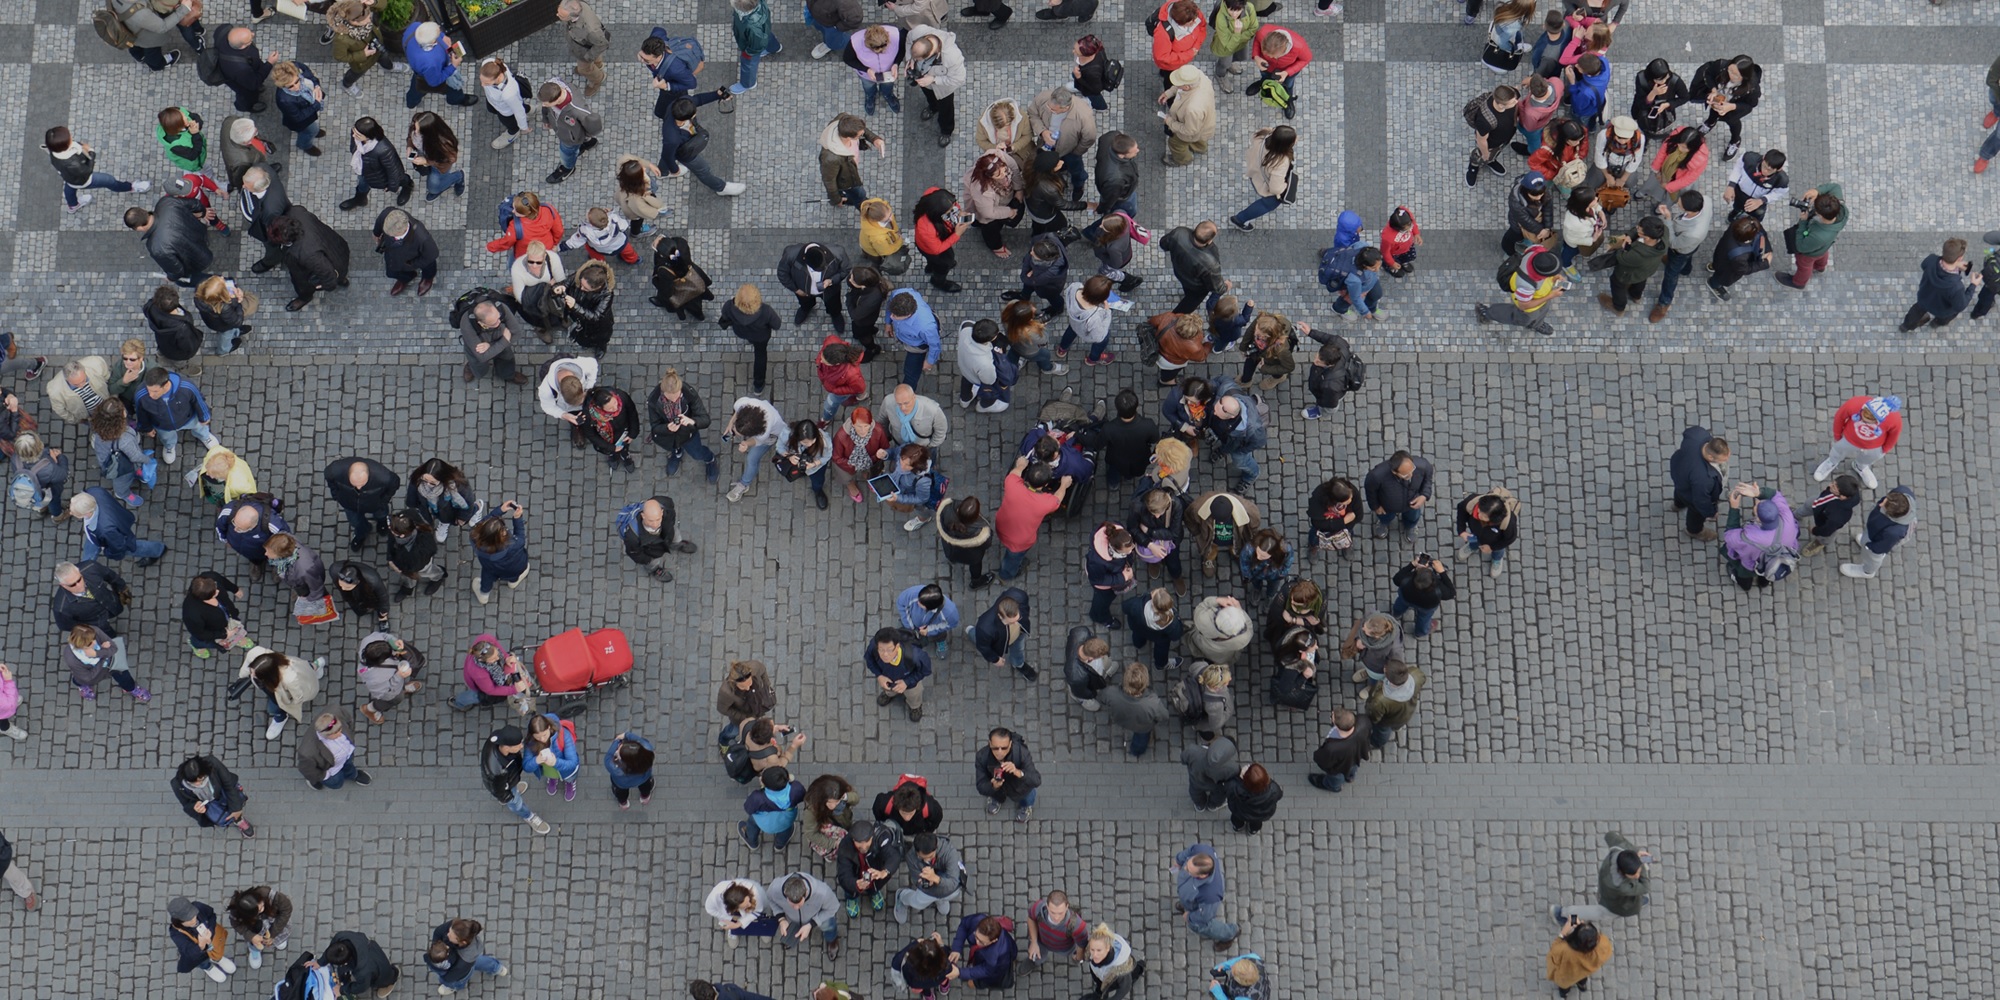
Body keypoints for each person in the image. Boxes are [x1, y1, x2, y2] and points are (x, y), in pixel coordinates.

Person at [265, 207, 352, 312]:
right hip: (335, 246)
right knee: (339, 267)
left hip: (327, 259)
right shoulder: (296, 212)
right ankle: (342, 279)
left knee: (304, 285)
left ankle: (305, 297)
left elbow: (327, 274)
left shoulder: (306, 254)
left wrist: (322, 286)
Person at [1553, 831, 1652, 922]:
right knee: (1601, 913)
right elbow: (1646, 887)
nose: (1637, 876)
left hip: (1606, 879)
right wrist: (1641, 864)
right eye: (1634, 874)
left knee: (1634, 895)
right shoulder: (1621, 886)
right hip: (1614, 904)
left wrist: (1635, 854)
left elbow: (1610, 835)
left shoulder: (1619, 850)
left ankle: (1636, 901)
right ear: (1622, 872)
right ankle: (1563, 914)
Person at [1812, 394, 1903, 489]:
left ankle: (1860, 466)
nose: (1864, 421)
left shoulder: (1894, 419)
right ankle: (1832, 462)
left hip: (1874, 446)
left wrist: (1884, 450)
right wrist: (1837, 435)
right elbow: (1840, 417)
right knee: (1837, 451)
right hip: (1849, 438)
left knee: (1868, 458)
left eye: (1868, 421)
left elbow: (1894, 435)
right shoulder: (1854, 404)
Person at [1719, 483, 1798, 591]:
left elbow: (1730, 536)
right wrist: (1759, 493)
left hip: (1752, 564)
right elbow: (1775, 494)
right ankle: (1764, 582)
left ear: (1758, 518)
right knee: (1768, 569)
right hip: (1777, 558)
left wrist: (1734, 508)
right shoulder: (1786, 515)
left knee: (1744, 575)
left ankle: (1745, 585)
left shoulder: (1750, 537)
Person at [125, 195, 214, 287]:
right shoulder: (166, 202)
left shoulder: (156, 247)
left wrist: (171, 278)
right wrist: (202, 213)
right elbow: (196, 204)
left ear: (139, 227)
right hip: (200, 235)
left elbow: (177, 270)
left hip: (198, 258)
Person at [649, 368, 721, 481]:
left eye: (677, 398)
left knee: (697, 454)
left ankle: (710, 459)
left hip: (688, 433)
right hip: (670, 435)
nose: (673, 401)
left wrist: (692, 421)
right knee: (674, 446)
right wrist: (667, 428)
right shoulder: (654, 400)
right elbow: (655, 426)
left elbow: (705, 419)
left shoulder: (689, 393)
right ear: (663, 391)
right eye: (669, 399)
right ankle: (677, 453)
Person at [480, 724, 551, 834]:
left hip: (507, 779)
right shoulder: (498, 772)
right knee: (516, 803)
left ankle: (513, 786)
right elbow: (499, 790)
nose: (522, 746)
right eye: (518, 745)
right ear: (507, 747)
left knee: (511, 787)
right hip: (503, 786)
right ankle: (529, 816)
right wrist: (509, 797)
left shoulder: (497, 740)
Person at [1688, 53, 1761, 159]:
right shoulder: (1721, 65)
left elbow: (1750, 105)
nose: (1730, 75)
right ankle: (1710, 123)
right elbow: (1708, 73)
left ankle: (1735, 140)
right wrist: (1713, 90)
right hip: (1718, 99)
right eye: (1730, 70)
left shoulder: (1752, 88)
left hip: (1734, 106)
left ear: (1744, 77)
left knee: (1733, 122)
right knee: (1713, 111)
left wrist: (1731, 107)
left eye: (1735, 75)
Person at [1901, 237, 1982, 332]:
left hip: (1924, 298)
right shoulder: (1956, 287)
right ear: (1960, 258)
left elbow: (1924, 265)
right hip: (1942, 310)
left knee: (1915, 312)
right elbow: (1960, 305)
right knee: (1949, 315)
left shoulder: (1931, 260)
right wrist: (1973, 285)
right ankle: (1936, 323)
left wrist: (1956, 266)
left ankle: (1906, 326)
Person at [70, 490, 166, 567]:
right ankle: (85, 568)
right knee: (90, 551)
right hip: (109, 524)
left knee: (132, 547)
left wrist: (108, 552)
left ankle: (158, 550)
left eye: (76, 514)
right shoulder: (94, 491)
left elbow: (118, 547)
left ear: (87, 513)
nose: (71, 513)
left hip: (106, 534)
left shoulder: (106, 530)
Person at [1842, 486, 1917, 580]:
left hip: (1877, 542)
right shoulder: (1902, 491)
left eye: (1884, 506)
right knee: (1866, 537)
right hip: (1874, 529)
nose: (1881, 505)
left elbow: (1880, 548)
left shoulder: (1894, 532)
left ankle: (1867, 571)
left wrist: (1869, 546)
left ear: (1892, 516)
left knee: (1873, 558)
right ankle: (1865, 540)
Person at [323, 457, 399, 551]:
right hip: (349, 503)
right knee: (355, 522)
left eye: (362, 484)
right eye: (354, 484)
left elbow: (394, 484)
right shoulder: (334, 471)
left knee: (381, 514)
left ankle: (382, 523)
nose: (359, 488)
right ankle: (362, 532)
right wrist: (336, 495)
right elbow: (329, 478)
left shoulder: (384, 477)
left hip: (375, 503)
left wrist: (383, 501)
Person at [170, 754, 254, 838]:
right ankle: (235, 819)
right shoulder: (177, 785)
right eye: (194, 783)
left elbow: (228, 784)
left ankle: (239, 820)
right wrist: (194, 807)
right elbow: (186, 804)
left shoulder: (212, 763)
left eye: (202, 779)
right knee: (222, 817)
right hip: (208, 804)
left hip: (221, 792)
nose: (199, 784)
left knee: (236, 805)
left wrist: (236, 809)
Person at [1173, 843, 1238, 950]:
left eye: (1189, 870)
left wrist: (1189, 917)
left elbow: (1204, 916)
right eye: (1187, 864)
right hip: (1190, 895)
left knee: (1201, 926)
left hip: (1200, 909)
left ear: (1202, 876)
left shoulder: (1210, 896)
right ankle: (1186, 905)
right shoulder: (1200, 849)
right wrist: (1179, 860)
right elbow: (1190, 851)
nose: (1184, 868)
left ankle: (1230, 933)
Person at [768, 871, 842, 959]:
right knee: (793, 926)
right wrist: (781, 919)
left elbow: (833, 908)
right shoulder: (775, 889)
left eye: (799, 904)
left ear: (805, 893)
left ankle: (832, 940)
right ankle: (793, 935)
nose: (796, 908)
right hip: (793, 918)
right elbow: (770, 899)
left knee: (829, 926)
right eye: (792, 904)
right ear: (785, 893)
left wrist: (812, 923)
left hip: (819, 916)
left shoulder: (822, 892)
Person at [974, 727, 1042, 822]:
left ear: (1010, 744)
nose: (1000, 752)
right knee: (994, 793)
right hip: (999, 789)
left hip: (1020, 787)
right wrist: (993, 786)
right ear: (990, 743)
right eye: (995, 748)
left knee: (1028, 797)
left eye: (1004, 748)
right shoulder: (982, 756)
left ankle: (1025, 807)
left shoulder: (1021, 753)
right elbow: (981, 786)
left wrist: (1018, 772)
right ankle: (996, 799)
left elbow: (1036, 780)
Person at [894, 832, 965, 923]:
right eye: (922, 858)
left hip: (944, 886)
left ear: (936, 847)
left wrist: (936, 879)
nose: (927, 860)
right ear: (917, 852)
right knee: (918, 903)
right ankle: (902, 896)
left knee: (952, 893)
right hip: (929, 889)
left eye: (930, 857)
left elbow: (954, 883)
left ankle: (940, 898)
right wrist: (925, 882)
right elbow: (917, 880)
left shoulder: (950, 853)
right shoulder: (911, 857)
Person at [469, 500, 531, 604]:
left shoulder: (475, 539)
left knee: (487, 579)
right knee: (516, 571)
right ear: (502, 535)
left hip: (491, 568)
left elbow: (482, 526)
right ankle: (513, 582)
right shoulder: (513, 544)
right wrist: (517, 519)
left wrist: (499, 510)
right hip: (514, 567)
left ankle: (484, 595)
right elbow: (520, 536)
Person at [865, 627, 932, 722]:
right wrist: (879, 675)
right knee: (888, 689)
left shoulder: (916, 656)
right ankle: (889, 694)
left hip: (911, 683)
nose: (885, 655)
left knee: (914, 695)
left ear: (897, 646)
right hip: (888, 679)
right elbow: (869, 660)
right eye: (881, 650)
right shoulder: (873, 647)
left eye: (889, 650)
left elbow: (925, 670)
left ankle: (915, 706)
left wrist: (907, 682)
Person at [835, 820, 902, 916]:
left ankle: (873, 892)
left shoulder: (880, 837)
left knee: (875, 886)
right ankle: (852, 897)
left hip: (876, 874)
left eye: (867, 841)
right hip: (855, 875)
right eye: (859, 842)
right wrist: (855, 885)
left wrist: (884, 872)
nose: (863, 846)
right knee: (850, 890)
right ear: (853, 840)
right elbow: (844, 875)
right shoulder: (845, 847)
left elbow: (894, 856)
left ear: (872, 837)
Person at [1365, 450, 1434, 539]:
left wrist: (1424, 495)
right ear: (1394, 472)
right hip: (1387, 506)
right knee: (1385, 517)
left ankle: (1410, 526)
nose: (1411, 475)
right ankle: (1383, 522)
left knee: (1412, 517)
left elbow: (1428, 478)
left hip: (1412, 503)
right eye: (1405, 475)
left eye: (1412, 469)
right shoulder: (1376, 476)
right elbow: (1371, 492)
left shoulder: (1423, 465)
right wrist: (1376, 507)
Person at [168, 897, 239, 984]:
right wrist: (201, 945)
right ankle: (208, 967)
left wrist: (211, 931)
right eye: (189, 919)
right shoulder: (176, 934)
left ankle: (217, 959)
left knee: (216, 950)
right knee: (203, 962)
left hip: (212, 945)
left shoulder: (198, 906)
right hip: (200, 955)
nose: (194, 919)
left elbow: (211, 915)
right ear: (180, 922)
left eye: (194, 914)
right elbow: (189, 954)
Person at [1454, 488, 1522, 577]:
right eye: (1479, 510)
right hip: (1475, 533)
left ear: (1493, 519)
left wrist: (1492, 547)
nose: (1478, 514)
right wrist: (1462, 530)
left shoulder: (1508, 522)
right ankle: (1472, 546)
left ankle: (1496, 559)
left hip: (1495, 541)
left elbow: (1509, 539)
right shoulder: (1473, 502)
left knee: (1498, 551)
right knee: (1474, 540)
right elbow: (1461, 510)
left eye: (1483, 515)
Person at [427, 918, 507, 993]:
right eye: (449, 931)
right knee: (478, 961)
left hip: (463, 966)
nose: (447, 935)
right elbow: (438, 932)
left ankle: (454, 987)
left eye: (451, 936)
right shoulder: (456, 927)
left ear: (463, 942)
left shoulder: (465, 959)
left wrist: (442, 976)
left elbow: (451, 976)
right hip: (464, 959)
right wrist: (437, 946)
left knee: (461, 978)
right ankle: (497, 968)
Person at [297, 709, 369, 790]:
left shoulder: (336, 711)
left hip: (347, 754)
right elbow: (306, 769)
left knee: (349, 766)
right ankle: (313, 780)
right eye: (335, 733)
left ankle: (353, 775)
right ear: (325, 735)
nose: (340, 734)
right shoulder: (307, 752)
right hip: (331, 770)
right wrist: (324, 776)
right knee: (337, 784)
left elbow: (348, 720)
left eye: (340, 729)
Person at [1704, 215, 1770, 302]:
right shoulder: (1739, 256)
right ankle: (1713, 284)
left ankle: (1713, 267)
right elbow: (1744, 269)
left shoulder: (1738, 224)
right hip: (1728, 268)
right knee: (1720, 278)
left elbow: (1757, 227)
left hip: (1721, 254)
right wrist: (1764, 263)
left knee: (1718, 265)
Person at [225, 885, 291, 971]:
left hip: (274, 921)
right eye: (259, 910)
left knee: (279, 930)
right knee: (253, 942)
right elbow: (237, 925)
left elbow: (286, 909)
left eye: (262, 905)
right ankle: (254, 950)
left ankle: (278, 939)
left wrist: (273, 934)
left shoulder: (271, 896)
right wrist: (251, 936)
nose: (262, 909)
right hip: (255, 928)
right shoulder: (237, 913)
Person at [1364, 658, 1427, 748]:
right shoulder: (1416, 673)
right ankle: (1397, 727)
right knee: (1397, 724)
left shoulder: (1380, 699)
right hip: (1408, 711)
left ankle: (1377, 743)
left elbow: (1374, 717)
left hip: (1388, 720)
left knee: (1382, 731)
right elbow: (1423, 680)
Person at [1545, 917, 1613, 998]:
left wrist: (1564, 931)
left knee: (1564, 986)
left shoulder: (1565, 950)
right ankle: (1582, 986)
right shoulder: (1602, 943)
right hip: (1583, 972)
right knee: (1582, 979)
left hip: (1568, 975)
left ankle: (1564, 993)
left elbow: (1554, 951)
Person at [740, 766, 806, 850]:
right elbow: (802, 797)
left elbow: (748, 809)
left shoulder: (757, 797)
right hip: (787, 819)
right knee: (786, 829)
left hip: (763, 822)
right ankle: (779, 845)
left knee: (752, 823)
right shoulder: (797, 788)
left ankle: (752, 842)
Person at [1309, 706, 1373, 792]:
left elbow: (1322, 760)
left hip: (1339, 766)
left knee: (1336, 777)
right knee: (1352, 767)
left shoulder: (1332, 748)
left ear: (1336, 725)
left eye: (1332, 717)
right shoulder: (1363, 721)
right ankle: (1350, 777)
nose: (1331, 717)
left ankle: (1334, 786)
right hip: (1356, 756)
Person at [1390, 554, 1455, 637]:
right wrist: (1442, 572)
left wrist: (1412, 564)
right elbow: (1451, 593)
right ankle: (1419, 632)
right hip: (1426, 606)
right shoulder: (1438, 588)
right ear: (1433, 580)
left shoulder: (1406, 579)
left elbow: (1396, 578)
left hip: (1406, 598)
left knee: (1400, 605)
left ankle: (1396, 614)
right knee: (1424, 619)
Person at [1800, 474, 1863, 559]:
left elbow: (1826, 530)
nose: (1830, 486)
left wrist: (1815, 530)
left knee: (1825, 537)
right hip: (1820, 503)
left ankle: (1819, 543)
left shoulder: (1837, 517)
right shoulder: (1847, 490)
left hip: (1824, 520)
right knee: (1808, 505)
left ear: (1843, 497)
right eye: (1833, 483)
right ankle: (1796, 514)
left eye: (1833, 487)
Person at [948, 914, 1019, 988]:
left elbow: (987, 971)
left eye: (982, 942)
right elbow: (964, 925)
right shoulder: (977, 919)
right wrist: (957, 948)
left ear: (993, 941)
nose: (977, 942)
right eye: (976, 936)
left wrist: (960, 972)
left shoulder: (997, 956)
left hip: (996, 968)